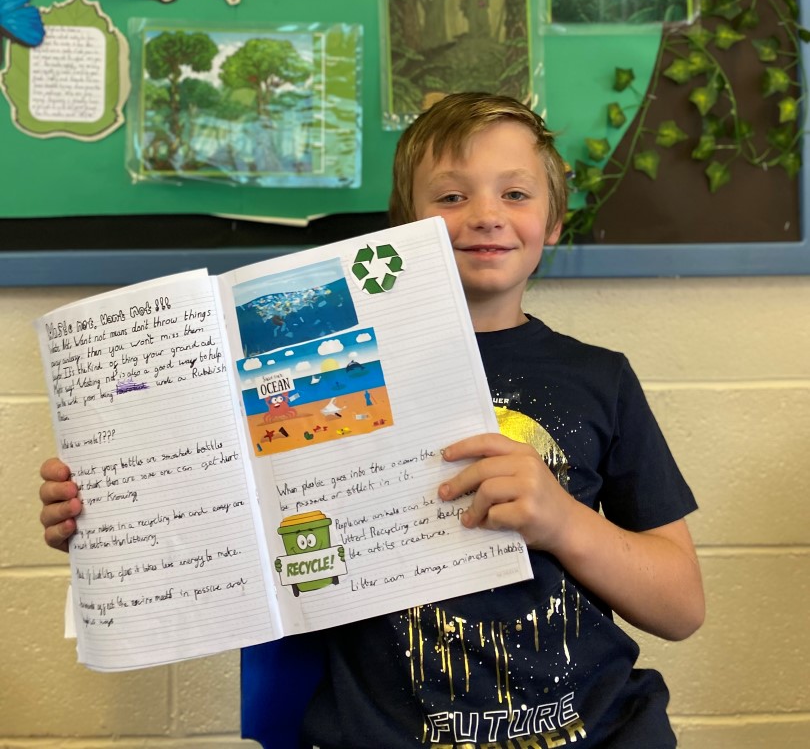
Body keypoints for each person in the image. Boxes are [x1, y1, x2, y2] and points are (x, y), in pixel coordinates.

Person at [40, 92, 704, 748]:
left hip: (596, 733)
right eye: (451, 196)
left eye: (515, 193)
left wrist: (563, 521)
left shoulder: (601, 379)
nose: (485, 215)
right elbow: (230, 520)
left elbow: (680, 608)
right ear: (404, 228)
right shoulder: (326, 376)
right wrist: (116, 524)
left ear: (553, 221)